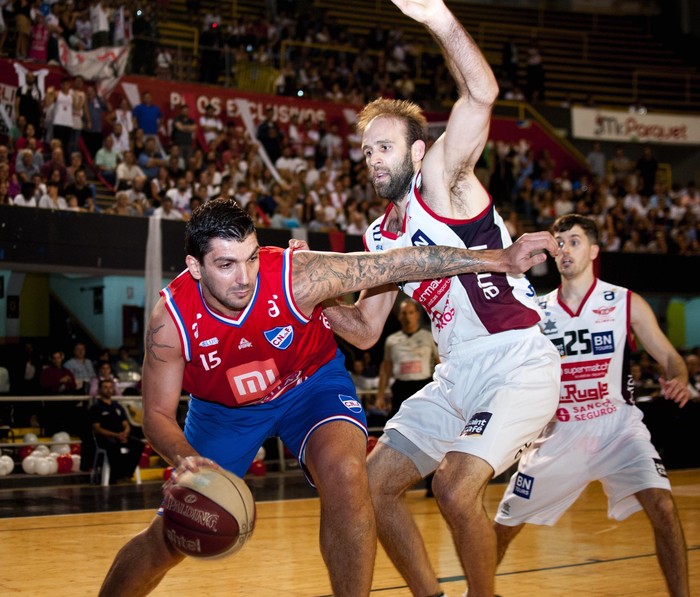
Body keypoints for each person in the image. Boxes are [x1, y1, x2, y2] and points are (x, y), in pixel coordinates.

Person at [98, 197, 557, 597]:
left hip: (310, 385)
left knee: (346, 473)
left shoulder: (297, 275)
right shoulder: (171, 318)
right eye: (226, 265)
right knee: (171, 536)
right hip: (226, 413)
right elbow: (156, 413)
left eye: (252, 258)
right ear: (195, 267)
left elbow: (402, 263)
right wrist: (183, 457)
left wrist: (497, 258)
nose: (244, 277)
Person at [320, 2, 561, 596]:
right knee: (373, 488)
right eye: (367, 149)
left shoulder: (443, 181)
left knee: (454, 487)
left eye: (384, 146)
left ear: (419, 151)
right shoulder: (379, 236)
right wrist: (310, 294)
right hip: (456, 377)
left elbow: (482, 94)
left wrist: (436, 17)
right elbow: (367, 330)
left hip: (516, 362)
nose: (372, 158)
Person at [494, 214, 691, 597]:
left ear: (594, 250)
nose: (565, 249)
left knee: (663, 508)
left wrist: (679, 377)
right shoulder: (538, 312)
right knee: (504, 525)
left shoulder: (624, 302)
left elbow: (669, 356)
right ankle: (479, 591)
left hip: (618, 428)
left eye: (575, 241)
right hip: (559, 433)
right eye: (560, 242)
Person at [376, 297, 438, 419]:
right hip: (401, 388)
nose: (408, 317)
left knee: (426, 422)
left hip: (423, 386)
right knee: (397, 423)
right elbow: (385, 369)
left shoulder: (429, 336)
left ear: (417, 315)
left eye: (411, 312)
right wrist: (380, 395)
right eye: (404, 313)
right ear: (399, 316)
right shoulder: (391, 340)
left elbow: (439, 363)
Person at [89, 377, 143, 484]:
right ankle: (115, 477)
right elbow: (97, 429)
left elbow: (126, 424)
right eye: (105, 387)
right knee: (113, 446)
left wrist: (125, 433)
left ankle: (127, 474)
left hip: (120, 436)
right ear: (99, 390)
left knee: (139, 444)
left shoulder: (117, 406)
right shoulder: (96, 407)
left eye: (110, 387)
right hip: (105, 437)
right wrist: (116, 435)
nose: (108, 390)